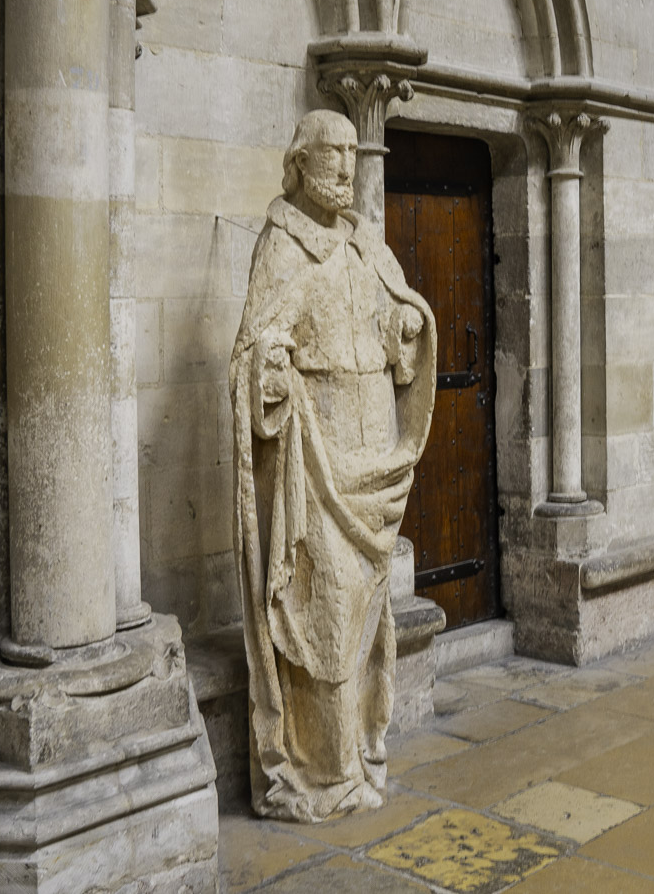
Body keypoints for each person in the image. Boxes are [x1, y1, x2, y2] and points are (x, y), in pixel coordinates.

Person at [231, 111, 440, 820]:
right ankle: (325, 770)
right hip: (315, 458)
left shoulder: (365, 247)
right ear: (300, 160)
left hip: (372, 450)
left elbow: (388, 326)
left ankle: (361, 750)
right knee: (325, 607)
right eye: (334, 152)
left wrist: (401, 328)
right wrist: (270, 377)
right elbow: (253, 351)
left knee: (368, 607)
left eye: (355, 152)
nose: (348, 166)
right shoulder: (280, 248)